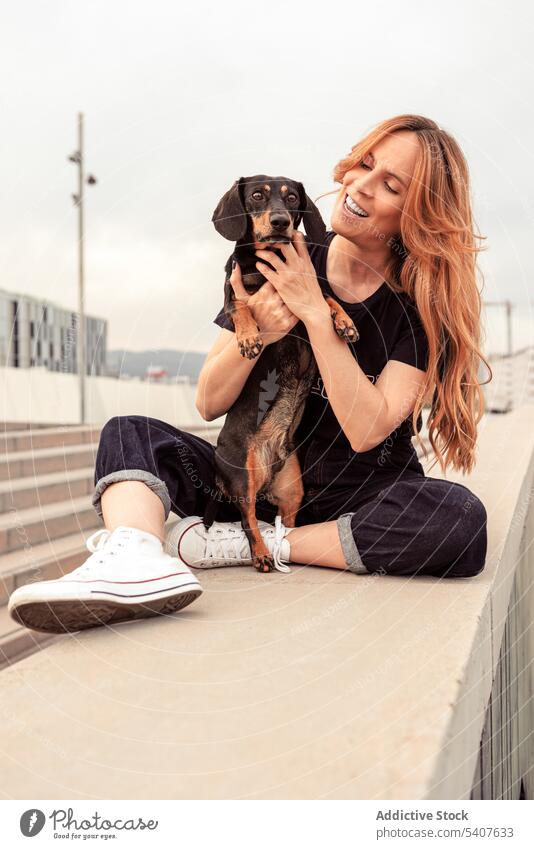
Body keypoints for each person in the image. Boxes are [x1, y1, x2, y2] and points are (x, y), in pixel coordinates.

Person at [8, 114, 491, 635]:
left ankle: (244, 543)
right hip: (250, 480)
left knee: (459, 520)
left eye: (390, 185)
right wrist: (258, 328)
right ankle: (132, 560)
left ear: (417, 214)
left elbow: (366, 429)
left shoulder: (416, 308)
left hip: (361, 499)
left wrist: (313, 313)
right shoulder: (272, 257)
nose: (360, 187)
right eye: (364, 166)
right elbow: (209, 401)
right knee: (129, 433)